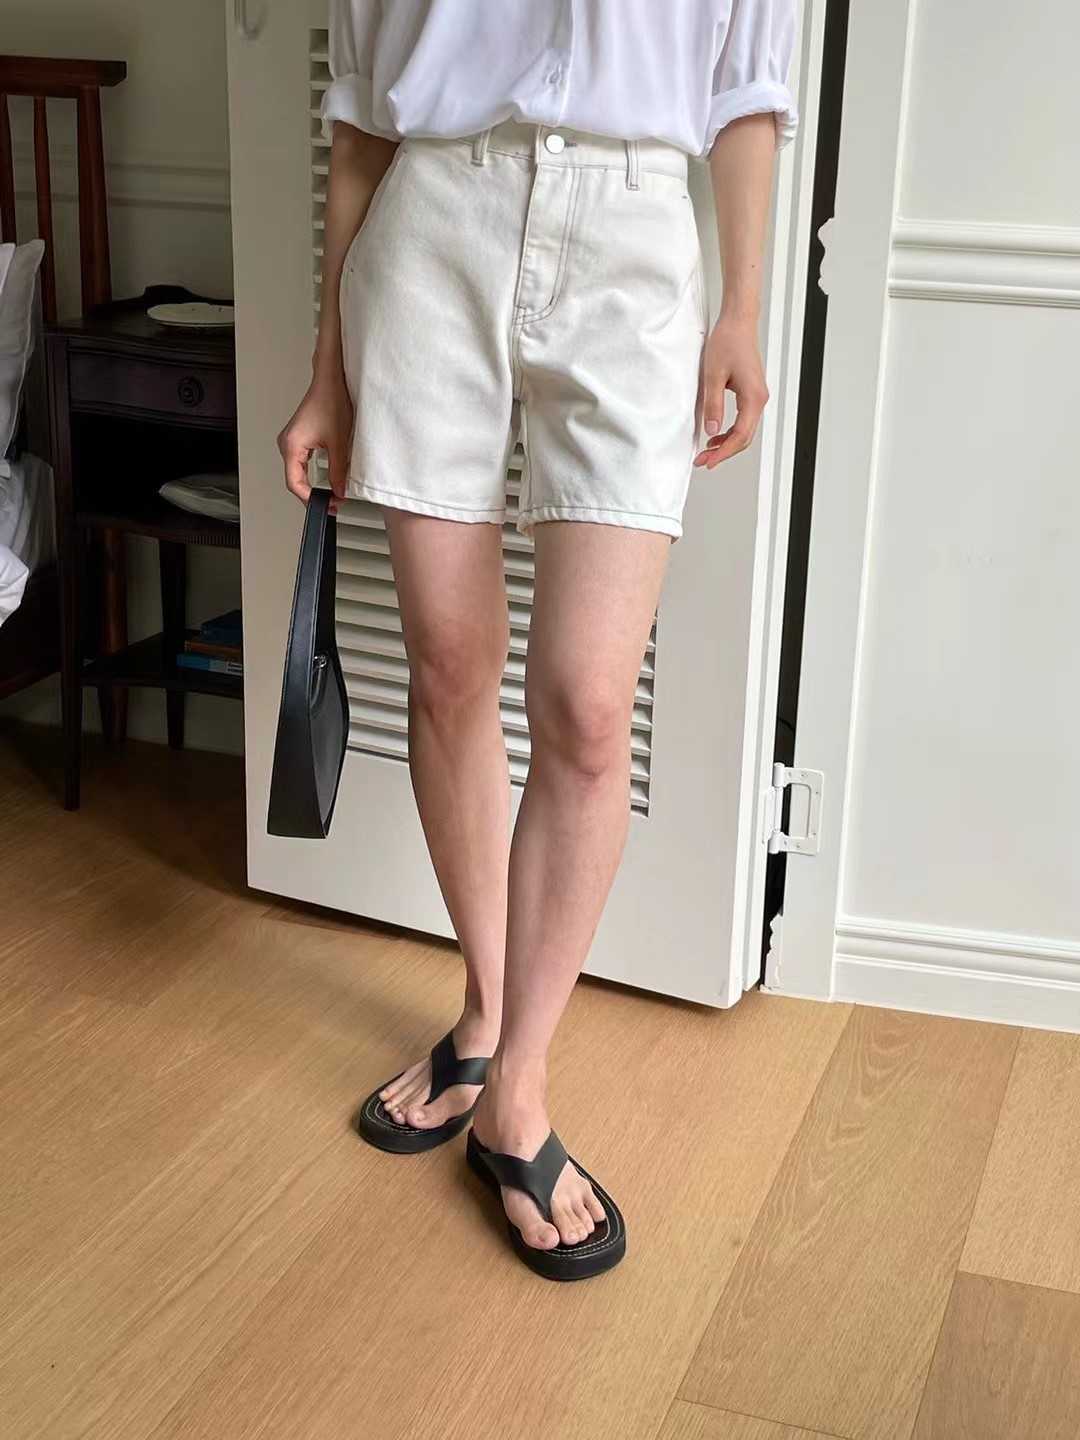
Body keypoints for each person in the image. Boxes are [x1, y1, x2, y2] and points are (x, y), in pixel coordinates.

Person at [278, 0, 798, 1281]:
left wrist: (742, 305)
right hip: (429, 230)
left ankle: (520, 1087)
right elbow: (361, 117)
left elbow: (746, 91)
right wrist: (329, 368)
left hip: (635, 238)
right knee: (450, 667)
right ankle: (486, 1015)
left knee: (587, 705)